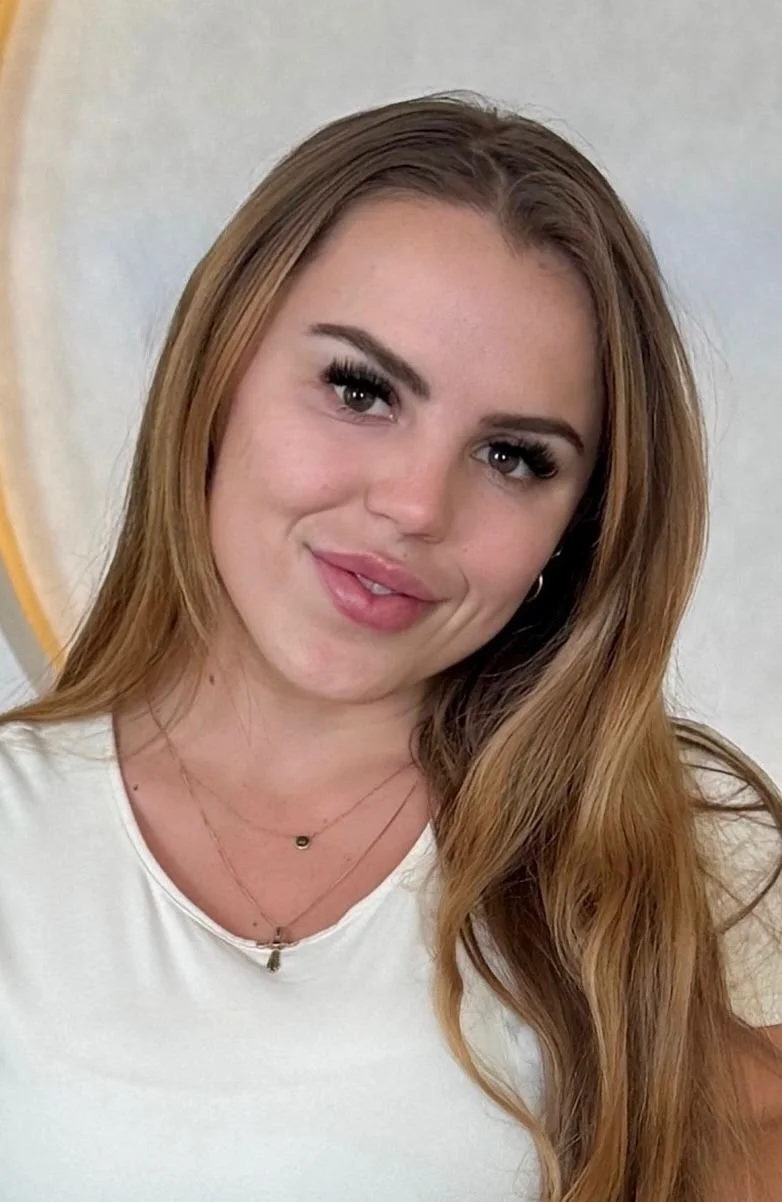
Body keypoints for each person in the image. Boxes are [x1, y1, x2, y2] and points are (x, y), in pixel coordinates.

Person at [0, 88, 781, 1202]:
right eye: (360, 390)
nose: (415, 505)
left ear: (578, 529)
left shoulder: (648, 868)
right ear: (218, 369)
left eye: (513, 457)